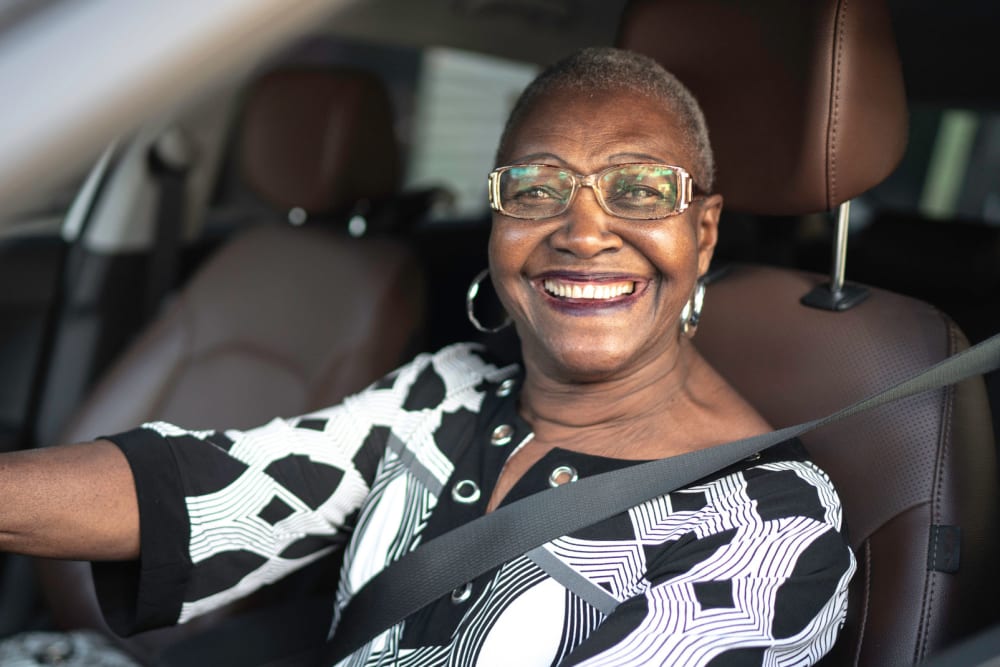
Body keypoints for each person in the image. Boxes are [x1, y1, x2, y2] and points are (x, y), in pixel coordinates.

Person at [0, 48, 854, 666]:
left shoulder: (771, 532)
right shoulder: (443, 389)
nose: (585, 231)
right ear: (496, 223)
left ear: (700, 232)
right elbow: (215, 487)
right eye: (535, 187)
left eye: (639, 189)